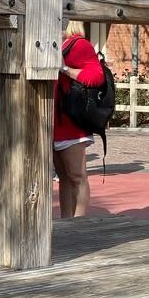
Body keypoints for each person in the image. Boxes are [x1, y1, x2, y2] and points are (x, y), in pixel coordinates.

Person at [53, 21, 104, 218]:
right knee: (64, 177)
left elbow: (95, 77)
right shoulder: (56, 43)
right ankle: (66, 223)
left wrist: (64, 68)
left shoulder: (79, 44)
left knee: (76, 176)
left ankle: (80, 223)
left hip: (71, 124)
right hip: (54, 124)